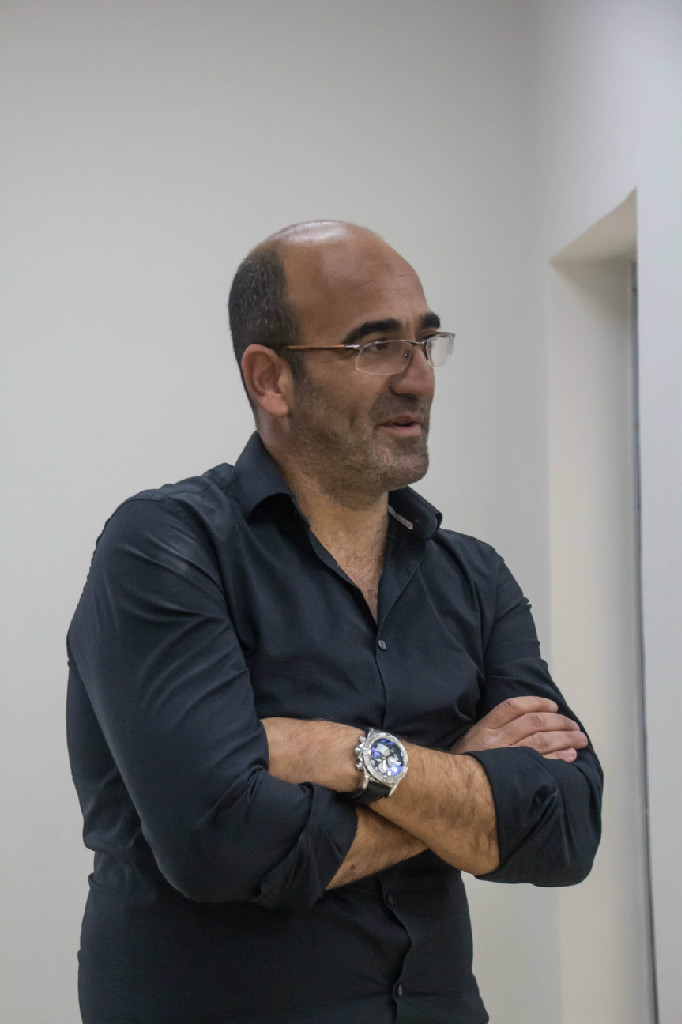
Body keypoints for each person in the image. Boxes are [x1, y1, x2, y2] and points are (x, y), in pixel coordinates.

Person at [66, 221, 602, 1024]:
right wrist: (460, 780)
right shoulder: (165, 548)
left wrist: (345, 754)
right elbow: (219, 846)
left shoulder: (474, 576)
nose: (418, 378)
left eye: (425, 342)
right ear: (271, 379)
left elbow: (565, 830)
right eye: (375, 346)